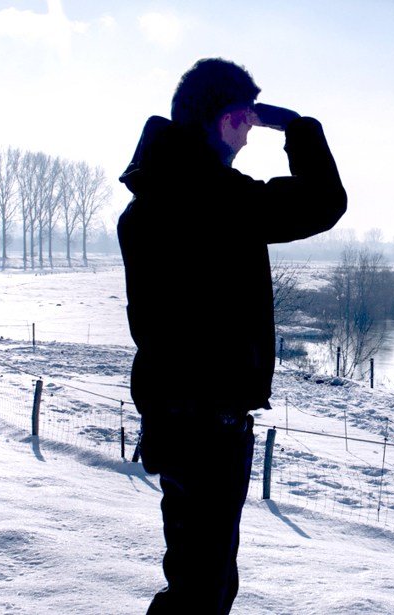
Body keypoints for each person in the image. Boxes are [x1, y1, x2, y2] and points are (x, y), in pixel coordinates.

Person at [117, 58, 347, 614]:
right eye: (244, 123)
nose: (248, 138)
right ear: (223, 122)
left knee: (197, 579)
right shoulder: (216, 199)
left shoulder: (146, 205)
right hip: (209, 429)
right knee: (202, 592)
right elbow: (324, 202)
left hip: (173, 422)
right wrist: (295, 127)